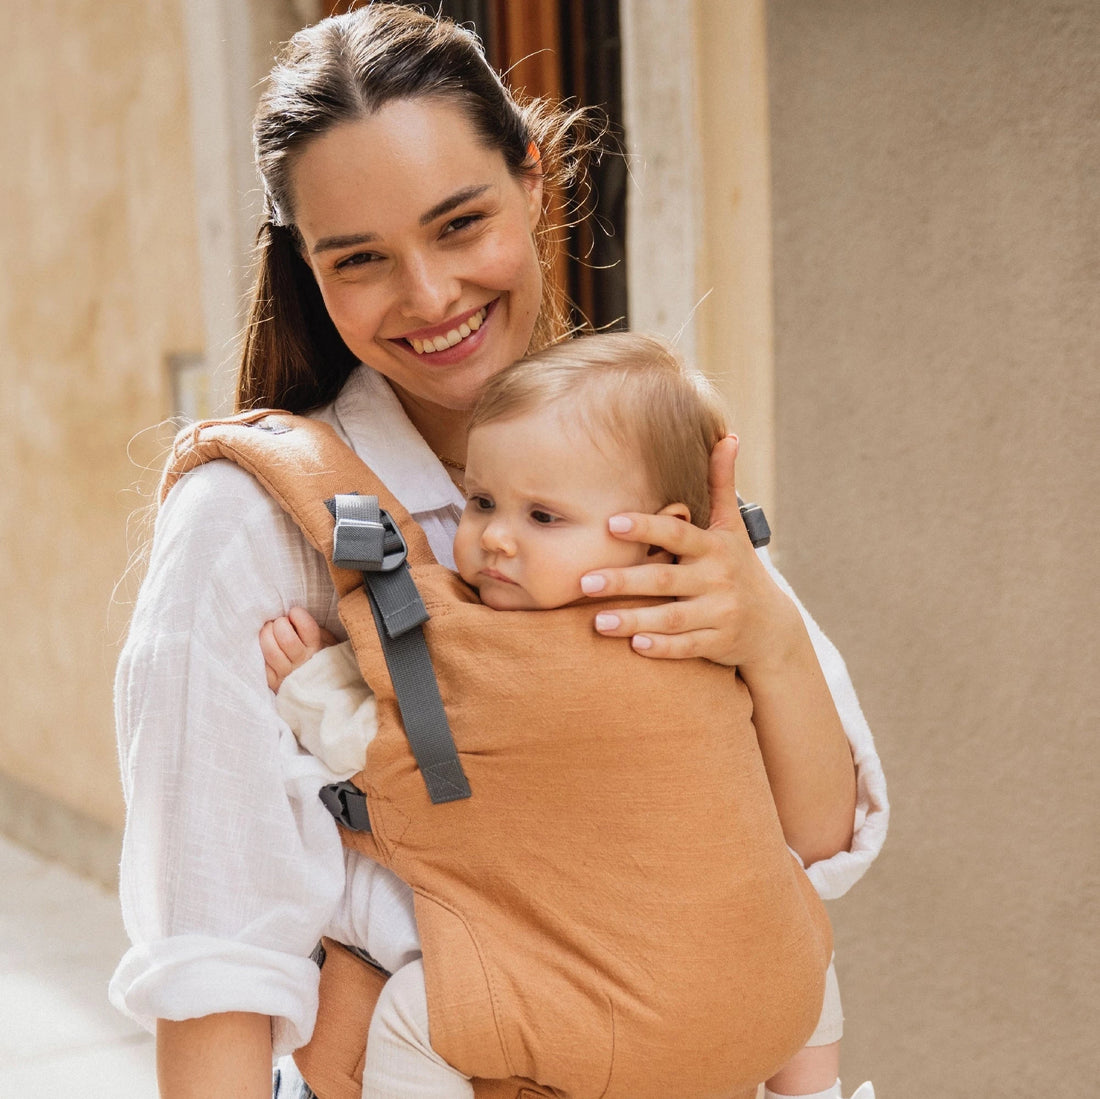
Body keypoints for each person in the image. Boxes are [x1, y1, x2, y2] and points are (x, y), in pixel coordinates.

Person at [108, 5, 887, 1097]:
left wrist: (766, 632)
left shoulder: (629, 468)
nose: (428, 297)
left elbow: (816, 847)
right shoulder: (252, 526)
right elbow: (214, 957)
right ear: (304, 264)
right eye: (361, 258)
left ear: (531, 180)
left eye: (459, 223)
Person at [259, 332, 875, 1099]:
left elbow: (403, 762)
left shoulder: (510, 652)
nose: (494, 539)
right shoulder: (713, 629)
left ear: (660, 533)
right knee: (797, 937)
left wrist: (318, 684)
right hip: (758, 1004)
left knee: (413, 1017)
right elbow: (816, 844)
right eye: (481, 501)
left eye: (544, 516)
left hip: (596, 1025)